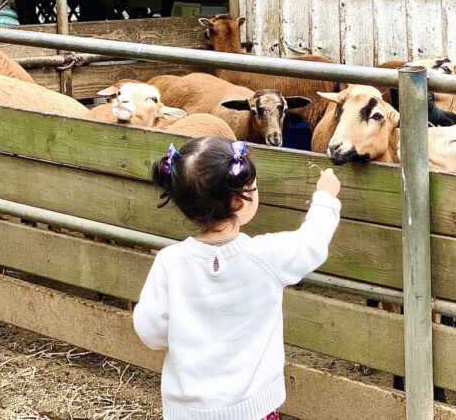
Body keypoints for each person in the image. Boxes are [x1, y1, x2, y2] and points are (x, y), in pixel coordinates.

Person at [133, 136, 342, 420]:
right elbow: (311, 242)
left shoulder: (170, 263)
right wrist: (325, 198)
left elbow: (150, 331)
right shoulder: (266, 256)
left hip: (188, 413)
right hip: (254, 409)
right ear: (238, 198)